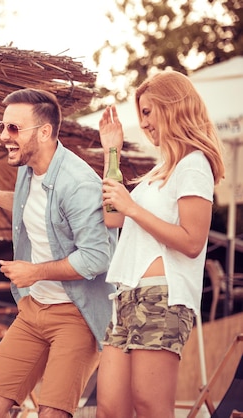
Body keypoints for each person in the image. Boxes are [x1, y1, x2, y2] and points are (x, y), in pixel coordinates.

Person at [0, 88, 117, 418]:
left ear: (45, 132)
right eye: (2, 126)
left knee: (52, 413)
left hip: (77, 314)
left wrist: (36, 271)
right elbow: (38, 208)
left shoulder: (78, 183)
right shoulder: (28, 167)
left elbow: (97, 257)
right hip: (34, 308)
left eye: (14, 128)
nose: (4, 137)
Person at [95, 71, 225, 418]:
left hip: (162, 296)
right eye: (141, 115)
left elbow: (193, 241)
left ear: (173, 107)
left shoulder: (194, 165)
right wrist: (112, 153)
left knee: (151, 407)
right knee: (110, 408)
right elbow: (113, 217)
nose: (144, 123)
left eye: (149, 112)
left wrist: (132, 208)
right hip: (126, 296)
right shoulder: (159, 171)